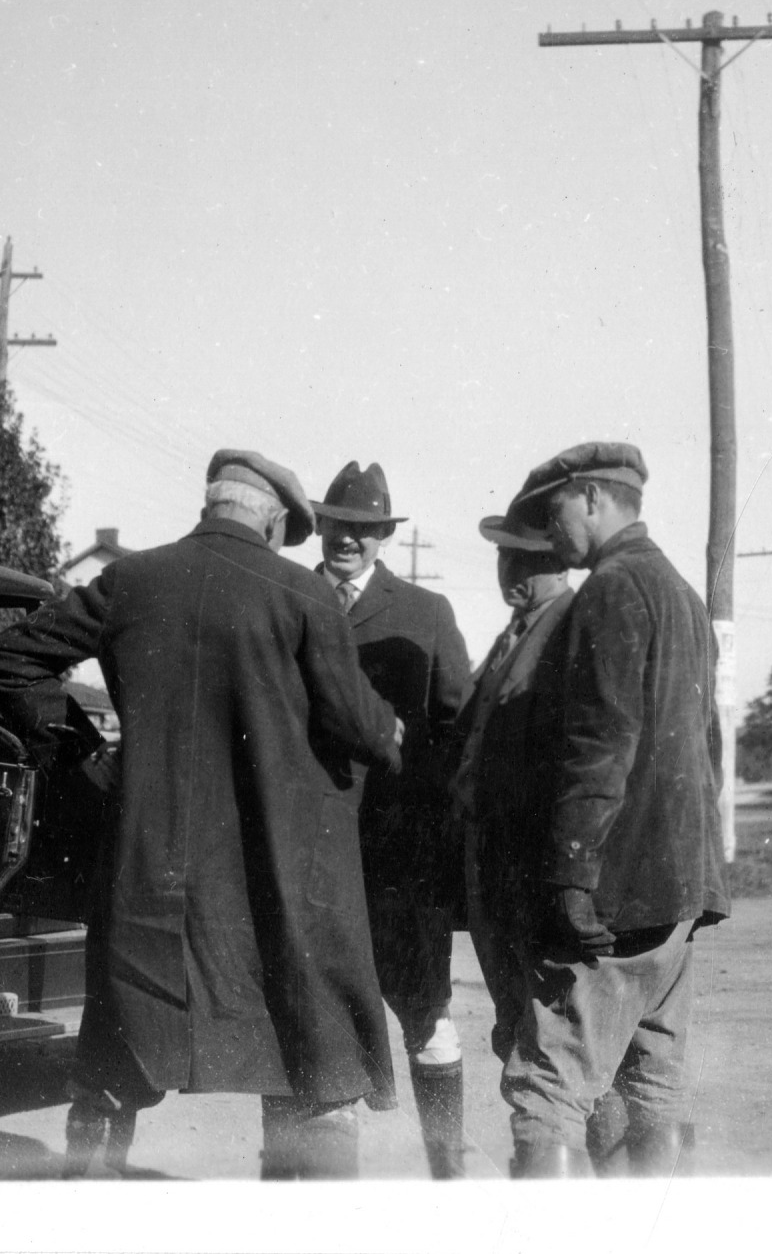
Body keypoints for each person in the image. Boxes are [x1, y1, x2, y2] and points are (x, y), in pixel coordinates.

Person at [0, 450, 403, 1180]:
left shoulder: (131, 578)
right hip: (273, 874)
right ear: (271, 523)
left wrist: (84, 755)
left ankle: (87, 1201)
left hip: (152, 873)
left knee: (113, 1056)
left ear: (211, 506)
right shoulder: (303, 593)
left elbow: (11, 658)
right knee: (312, 1052)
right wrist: (388, 731)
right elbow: (357, 726)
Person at [499, 442, 731, 1179]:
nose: (550, 532)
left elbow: (600, 744)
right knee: (655, 1081)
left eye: (555, 512)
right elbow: (709, 745)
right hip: (679, 892)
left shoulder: (611, 588)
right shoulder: (682, 593)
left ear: (594, 499)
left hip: (617, 892)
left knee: (549, 1088)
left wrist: (572, 872)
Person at [448, 499, 638, 1173]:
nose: (512, 570)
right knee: (521, 1035)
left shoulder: (567, 627)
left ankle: (606, 1194)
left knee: (559, 1055)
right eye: (507, 556)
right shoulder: (517, 632)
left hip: (531, 873)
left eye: (527, 559)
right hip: (493, 872)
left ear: (557, 563)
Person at [311, 461, 475, 1178]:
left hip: (400, 858)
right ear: (319, 526)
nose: (347, 539)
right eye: (336, 525)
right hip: (309, 851)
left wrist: (430, 830)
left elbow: (458, 729)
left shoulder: (424, 612)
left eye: (363, 529)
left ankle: (449, 1178)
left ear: (383, 536)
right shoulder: (289, 597)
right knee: (319, 1022)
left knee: (426, 1016)